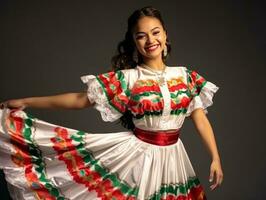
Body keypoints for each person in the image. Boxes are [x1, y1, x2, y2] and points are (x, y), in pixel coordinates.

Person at [0, 6, 223, 200]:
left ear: (165, 34)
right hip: (139, 158)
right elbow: (80, 100)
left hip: (175, 159)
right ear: (134, 42)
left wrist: (215, 158)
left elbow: (200, 118)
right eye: (141, 36)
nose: (150, 40)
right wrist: (25, 101)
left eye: (155, 32)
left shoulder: (186, 77)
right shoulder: (129, 79)